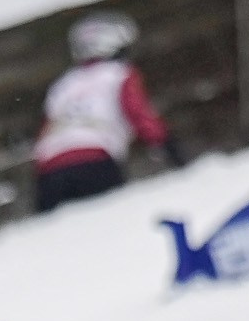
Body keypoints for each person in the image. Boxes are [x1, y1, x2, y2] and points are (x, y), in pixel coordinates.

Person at [31, 12, 173, 212]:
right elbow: (138, 113)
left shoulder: (63, 84)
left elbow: (47, 128)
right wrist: (167, 146)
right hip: (95, 161)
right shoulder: (119, 73)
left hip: (49, 170)